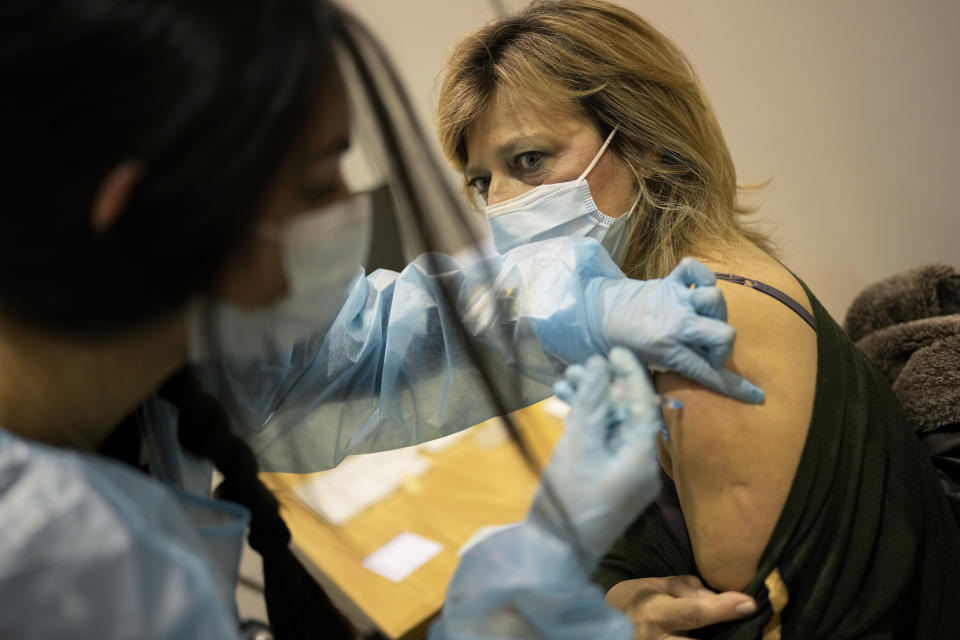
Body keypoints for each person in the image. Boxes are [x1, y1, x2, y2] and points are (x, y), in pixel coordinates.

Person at [0, 0, 756, 638]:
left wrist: (572, 305)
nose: (349, 213)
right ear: (148, 218)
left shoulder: (126, 359)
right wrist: (523, 588)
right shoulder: (51, 560)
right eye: (317, 181)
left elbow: (366, 349)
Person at [435, 1, 960, 637]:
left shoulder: (706, 325)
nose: (501, 207)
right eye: (481, 181)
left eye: (529, 161)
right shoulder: (650, 300)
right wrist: (620, 602)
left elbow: (729, 623)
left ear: (646, 142)